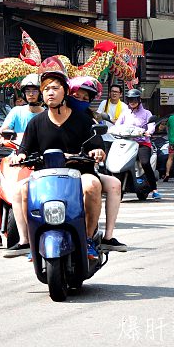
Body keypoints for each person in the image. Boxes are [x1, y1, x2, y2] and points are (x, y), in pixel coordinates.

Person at [5, 67, 105, 260]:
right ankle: (32, 242)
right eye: (46, 89)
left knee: (93, 185)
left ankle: (88, 238)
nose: (50, 92)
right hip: (45, 177)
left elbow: (96, 146)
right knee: (22, 189)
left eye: (55, 88)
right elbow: (24, 149)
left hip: (78, 174)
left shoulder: (82, 120)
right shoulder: (36, 123)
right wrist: (18, 156)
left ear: (65, 92)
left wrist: (97, 151)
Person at [0, 75, 43, 247]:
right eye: (28, 91)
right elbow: (4, 129)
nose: (31, 94)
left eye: (35, 91)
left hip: (40, 159)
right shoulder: (17, 112)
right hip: (16, 155)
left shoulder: (47, 115)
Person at [69, 77, 127, 252]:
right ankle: (28, 240)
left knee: (114, 184)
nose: (80, 101)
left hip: (83, 170)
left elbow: (97, 142)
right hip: (54, 171)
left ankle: (106, 237)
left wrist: (97, 152)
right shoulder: (47, 117)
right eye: (76, 96)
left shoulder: (89, 120)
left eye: (85, 98)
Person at [116, 89, 160, 199]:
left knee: (145, 163)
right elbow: (118, 125)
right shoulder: (124, 113)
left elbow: (151, 126)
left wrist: (148, 132)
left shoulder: (146, 113)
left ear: (139, 100)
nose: (132, 102)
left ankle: (154, 189)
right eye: (130, 100)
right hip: (127, 143)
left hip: (142, 143)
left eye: (134, 99)